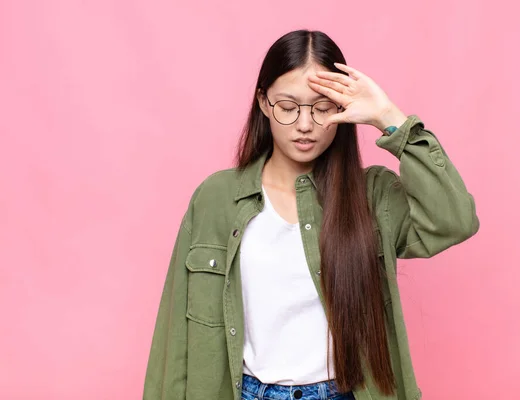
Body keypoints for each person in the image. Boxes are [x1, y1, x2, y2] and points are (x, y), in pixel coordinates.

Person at [143, 29, 479, 400]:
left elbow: (454, 219)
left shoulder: (371, 195)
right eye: (288, 107)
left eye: (322, 108)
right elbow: (175, 341)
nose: (305, 125)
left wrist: (389, 118)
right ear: (263, 102)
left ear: (342, 110)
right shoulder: (215, 198)